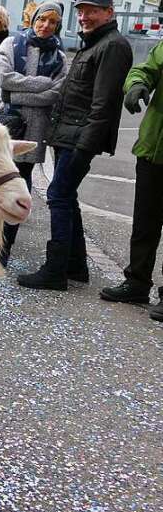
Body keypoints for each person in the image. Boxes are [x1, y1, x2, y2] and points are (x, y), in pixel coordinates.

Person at [19, 0, 132, 291]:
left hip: (80, 137)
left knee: (58, 194)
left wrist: (85, 146)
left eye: (92, 11)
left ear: (109, 13)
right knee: (66, 196)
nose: (84, 16)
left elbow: (103, 103)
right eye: (81, 11)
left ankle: (55, 271)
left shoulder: (113, 46)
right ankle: (76, 265)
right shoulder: (94, 43)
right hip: (68, 134)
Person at [0, 2, 67, 264]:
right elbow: (4, 80)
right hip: (6, 123)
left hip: (34, 128)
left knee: (19, 184)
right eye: (42, 19)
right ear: (34, 19)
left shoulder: (59, 57)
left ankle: (4, 248)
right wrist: (40, 85)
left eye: (53, 22)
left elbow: (53, 94)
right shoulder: (11, 44)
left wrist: (16, 94)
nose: (46, 25)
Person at [100, 40, 163, 321]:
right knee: (144, 223)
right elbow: (146, 69)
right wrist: (137, 84)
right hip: (153, 148)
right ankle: (137, 283)